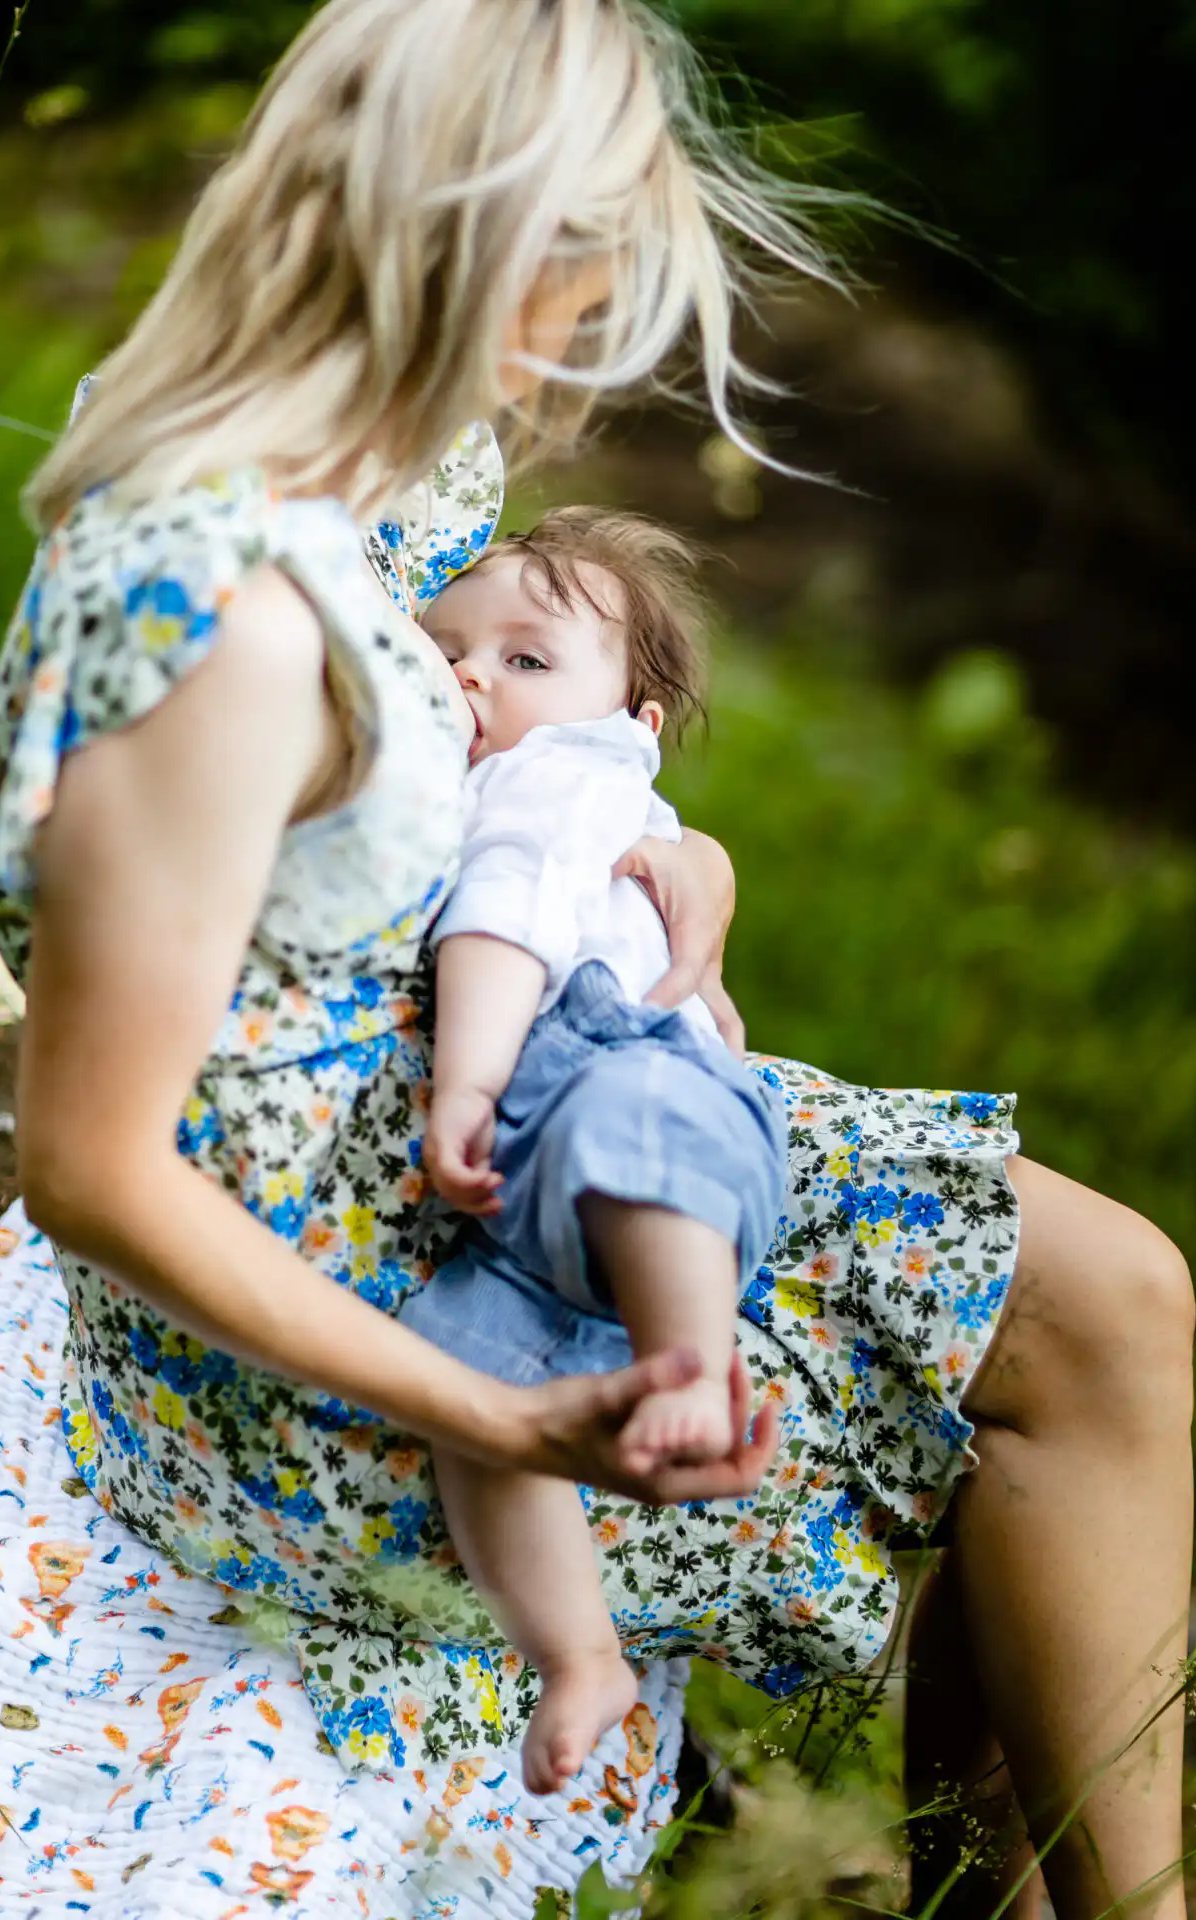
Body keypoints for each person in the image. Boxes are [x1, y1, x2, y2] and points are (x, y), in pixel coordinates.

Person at [0, 0, 1194, 1912]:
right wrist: (500, 1417)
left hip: (470, 1100)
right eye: (599, 254)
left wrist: (640, 832)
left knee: (1111, 1291)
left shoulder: (381, 463)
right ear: (487, 235)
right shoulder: (215, 621)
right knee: (1079, 1333)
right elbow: (90, 1168)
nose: (604, 319)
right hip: (361, 1352)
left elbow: (417, 781)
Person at [399, 506, 792, 1793]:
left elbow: (506, 914)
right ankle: (578, 1655)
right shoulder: (486, 771)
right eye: (442, 647)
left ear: (630, 723)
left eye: (524, 658)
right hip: (546, 1176)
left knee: (639, 1140)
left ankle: (692, 1361)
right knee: (475, 1389)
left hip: (619, 1070)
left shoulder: (557, 775)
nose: (470, 675)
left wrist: (466, 1079)